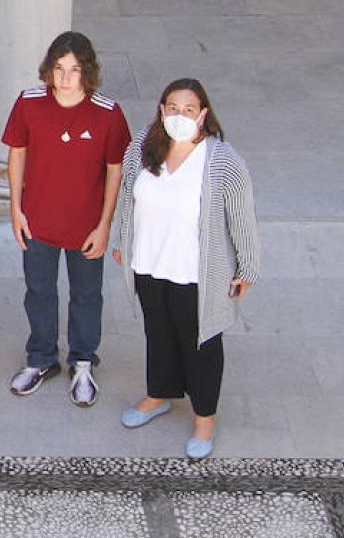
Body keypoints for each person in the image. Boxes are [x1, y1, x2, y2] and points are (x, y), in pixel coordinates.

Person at [111, 79, 260, 461]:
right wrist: (121, 240)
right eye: (172, 107)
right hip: (149, 262)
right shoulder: (144, 145)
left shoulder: (222, 160)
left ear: (203, 115)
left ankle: (204, 419)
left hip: (196, 272)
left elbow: (241, 218)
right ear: (162, 111)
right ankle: (158, 394)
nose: (180, 115)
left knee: (202, 344)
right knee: (158, 333)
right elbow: (128, 195)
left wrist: (247, 267)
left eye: (189, 109)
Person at [4, 30, 130, 407]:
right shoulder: (28, 104)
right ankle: (41, 359)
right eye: (59, 68)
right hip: (38, 222)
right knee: (39, 291)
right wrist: (16, 210)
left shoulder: (107, 113)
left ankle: (83, 361)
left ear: (87, 72)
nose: (65, 78)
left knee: (87, 295)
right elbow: (17, 156)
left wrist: (105, 225)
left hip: (86, 227)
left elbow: (115, 171)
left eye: (74, 70)